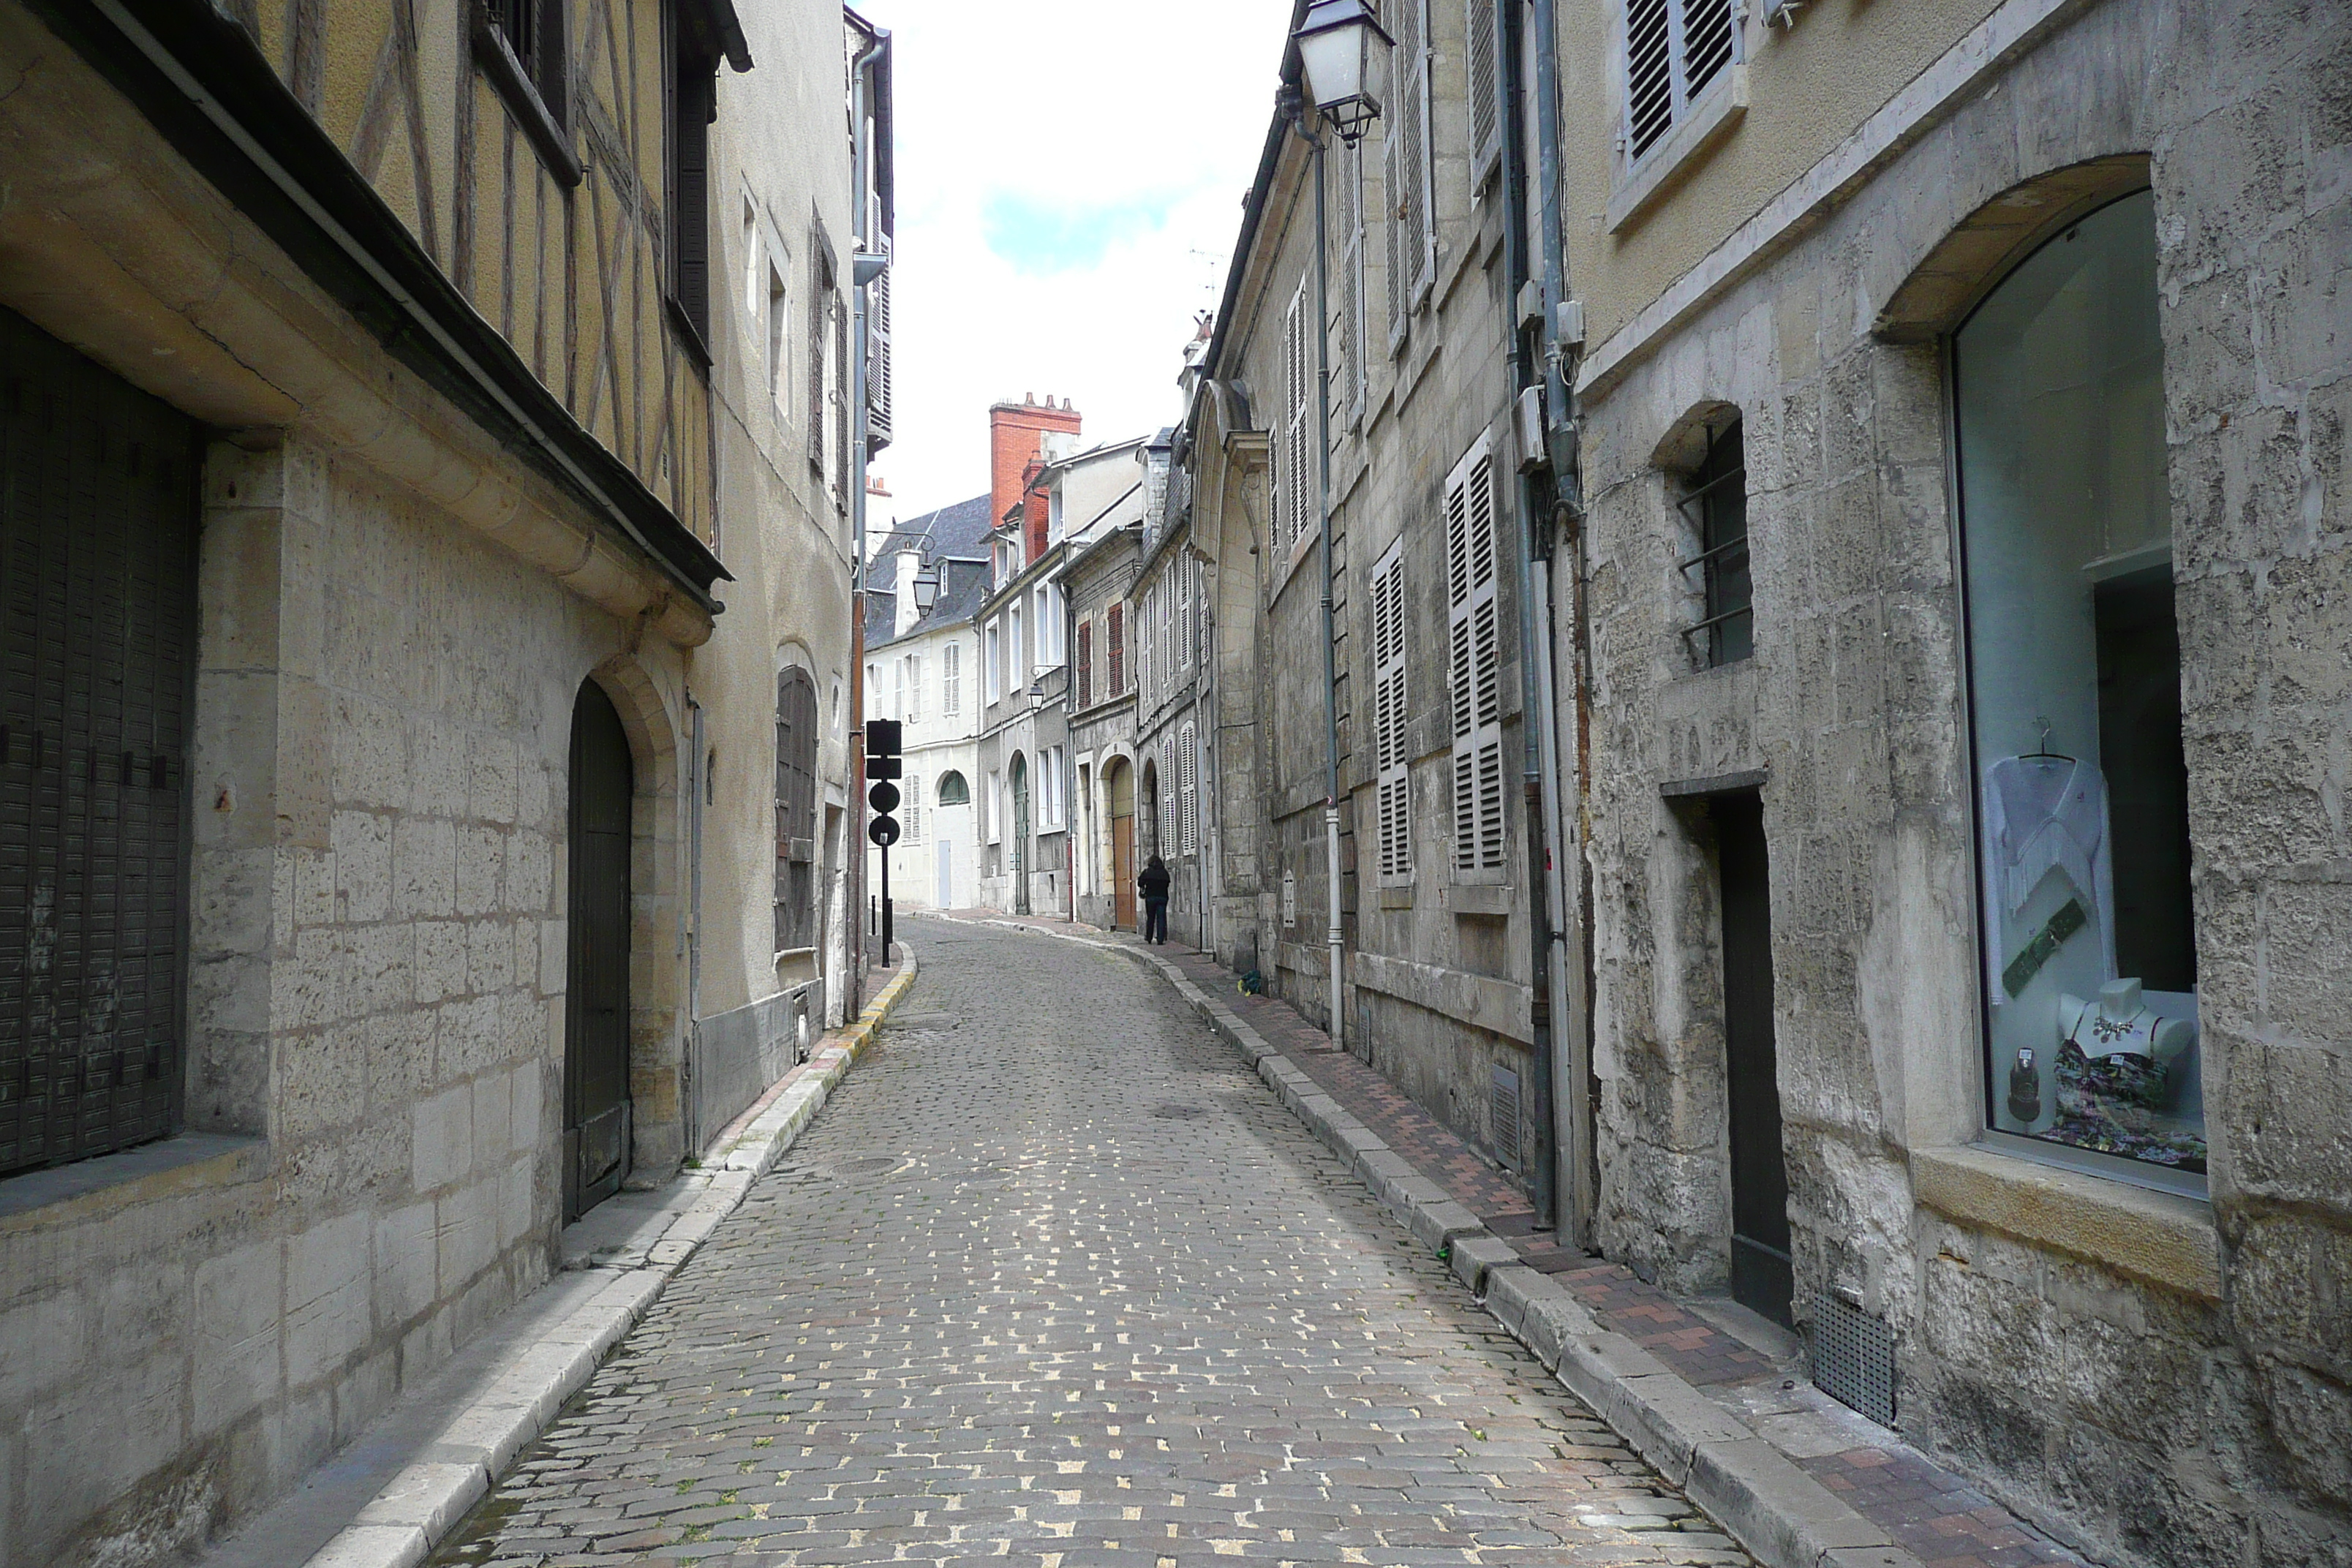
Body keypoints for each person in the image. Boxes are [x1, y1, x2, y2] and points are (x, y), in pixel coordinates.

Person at [1138, 853, 1172, 945]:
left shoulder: (1147, 872)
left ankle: (1149, 937)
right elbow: (1167, 883)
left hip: (1151, 897)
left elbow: (1140, 882)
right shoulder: (1164, 872)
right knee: (1161, 918)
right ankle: (1160, 939)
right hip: (1163, 897)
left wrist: (1145, 885)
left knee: (1151, 918)